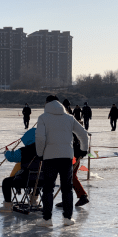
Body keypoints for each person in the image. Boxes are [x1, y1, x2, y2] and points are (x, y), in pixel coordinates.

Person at [35, 95, 89, 227]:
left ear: (47, 103)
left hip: (49, 158)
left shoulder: (43, 118)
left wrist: (40, 153)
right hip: (66, 157)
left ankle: (47, 219)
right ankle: (67, 218)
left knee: (48, 189)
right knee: (67, 188)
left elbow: (40, 138)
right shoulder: (69, 118)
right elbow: (83, 133)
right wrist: (83, 150)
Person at [0, 128, 42, 212]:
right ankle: (34, 199)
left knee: (6, 182)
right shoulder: (47, 150)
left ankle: (7, 205)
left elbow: (11, 157)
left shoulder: (25, 151)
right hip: (43, 181)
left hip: (24, 180)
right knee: (38, 177)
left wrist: (6, 153)